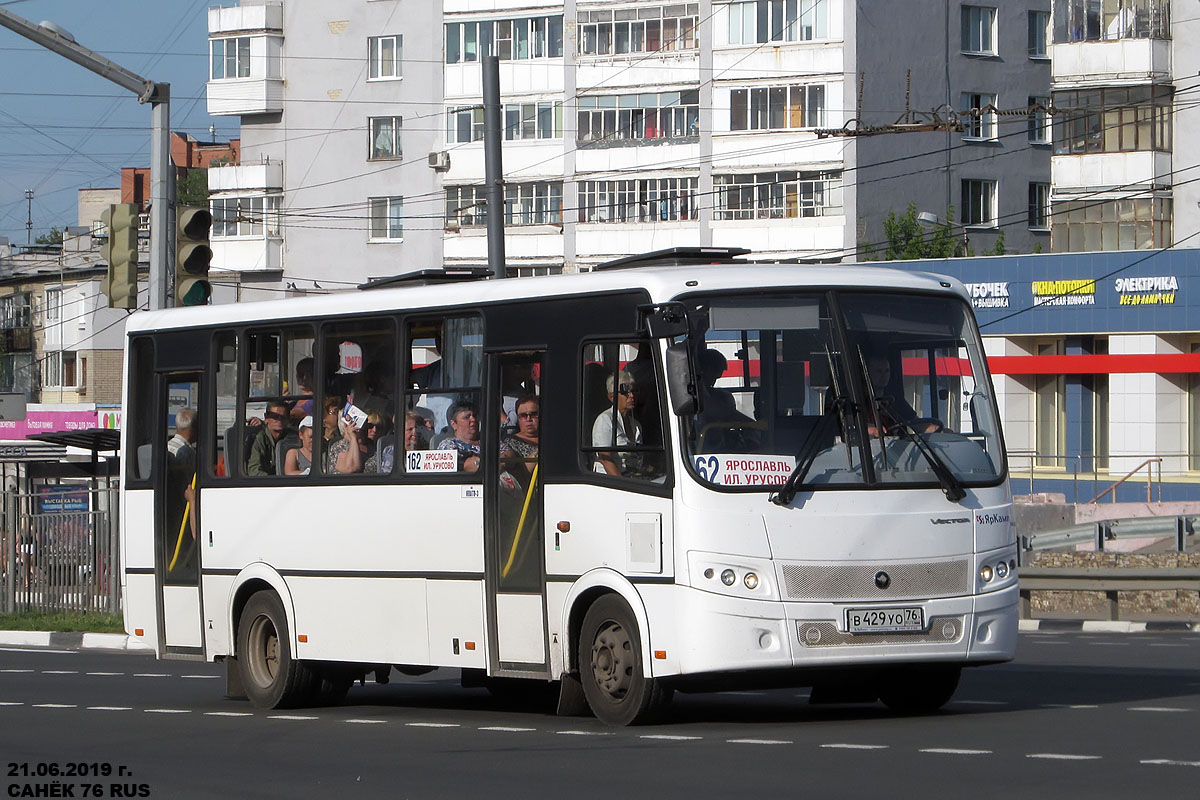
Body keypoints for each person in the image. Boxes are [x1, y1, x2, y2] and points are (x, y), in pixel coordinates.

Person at [863, 353, 938, 436]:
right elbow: (851, 428)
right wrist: (872, 431)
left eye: (887, 371)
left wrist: (939, 430)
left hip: (898, 446)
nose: (884, 376)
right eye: (879, 371)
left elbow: (918, 425)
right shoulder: (859, 401)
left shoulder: (895, 401)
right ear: (868, 373)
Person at [592, 371, 644, 477]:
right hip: (612, 484)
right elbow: (604, 458)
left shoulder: (636, 425)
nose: (632, 395)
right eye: (625, 392)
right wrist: (624, 487)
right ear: (612, 396)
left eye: (634, 391)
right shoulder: (605, 420)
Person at [437, 400, 481, 473]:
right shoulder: (449, 445)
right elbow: (465, 467)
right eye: (467, 417)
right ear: (454, 424)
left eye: (475, 416)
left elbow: (506, 454)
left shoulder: (489, 441)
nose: (473, 419)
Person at [247, 400, 290, 476]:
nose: (279, 420)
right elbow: (254, 470)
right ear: (266, 418)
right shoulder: (259, 439)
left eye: (283, 417)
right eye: (275, 416)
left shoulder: (291, 437)